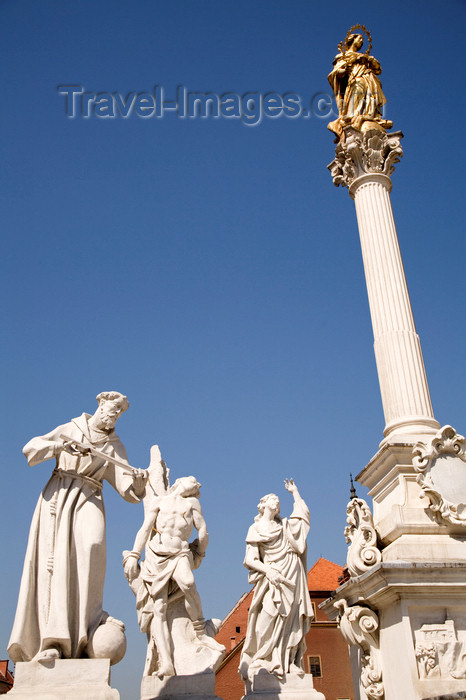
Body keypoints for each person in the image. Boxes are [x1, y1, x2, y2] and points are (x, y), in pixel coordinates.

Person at [8, 391, 147, 663]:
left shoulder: (113, 444)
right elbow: (30, 449)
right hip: (58, 498)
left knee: (93, 546)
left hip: (90, 495)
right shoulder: (71, 429)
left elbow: (127, 489)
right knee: (57, 564)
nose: (115, 415)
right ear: (100, 404)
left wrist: (139, 484)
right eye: (113, 408)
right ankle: (53, 641)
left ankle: (86, 625)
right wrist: (61, 446)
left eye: (120, 412)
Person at [123, 475, 224, 678]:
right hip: (156, 555)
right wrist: (134, 555)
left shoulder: (192, 503)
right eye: (194, 481)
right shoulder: (159, 502)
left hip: (180, 553)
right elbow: (144, 529)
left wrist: (200, 553)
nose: (198, 485)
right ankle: (167, 662)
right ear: (179, 482)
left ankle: (200, 632)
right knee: (158, 609)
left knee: (188, 584)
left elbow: (202, 529)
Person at [239, 479, 313, 682]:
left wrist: (295, 493)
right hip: (273, 577)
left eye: (278, 500)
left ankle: (289, 661)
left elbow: (304, 517)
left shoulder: (285, 525)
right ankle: (263, 657)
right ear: (263, 505)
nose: (277, 502)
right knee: (267, 617)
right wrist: (269, 571)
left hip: (292, 572)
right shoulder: (254, 529)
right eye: (274, 499)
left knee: (293, 617)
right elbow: (250, 559)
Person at [327, 33, 392, 138]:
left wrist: (370, 60)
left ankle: (368, 117)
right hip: (356, 80)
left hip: (369, 80)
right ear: (352, 39)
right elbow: (335, 74)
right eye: (359, 38)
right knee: (356, 98)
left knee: (370, 101)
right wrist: (344, 69)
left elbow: (378, 70)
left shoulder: (364, 57)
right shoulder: (343, 56)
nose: (361, 41)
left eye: (362, 39)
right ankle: (352, 119)